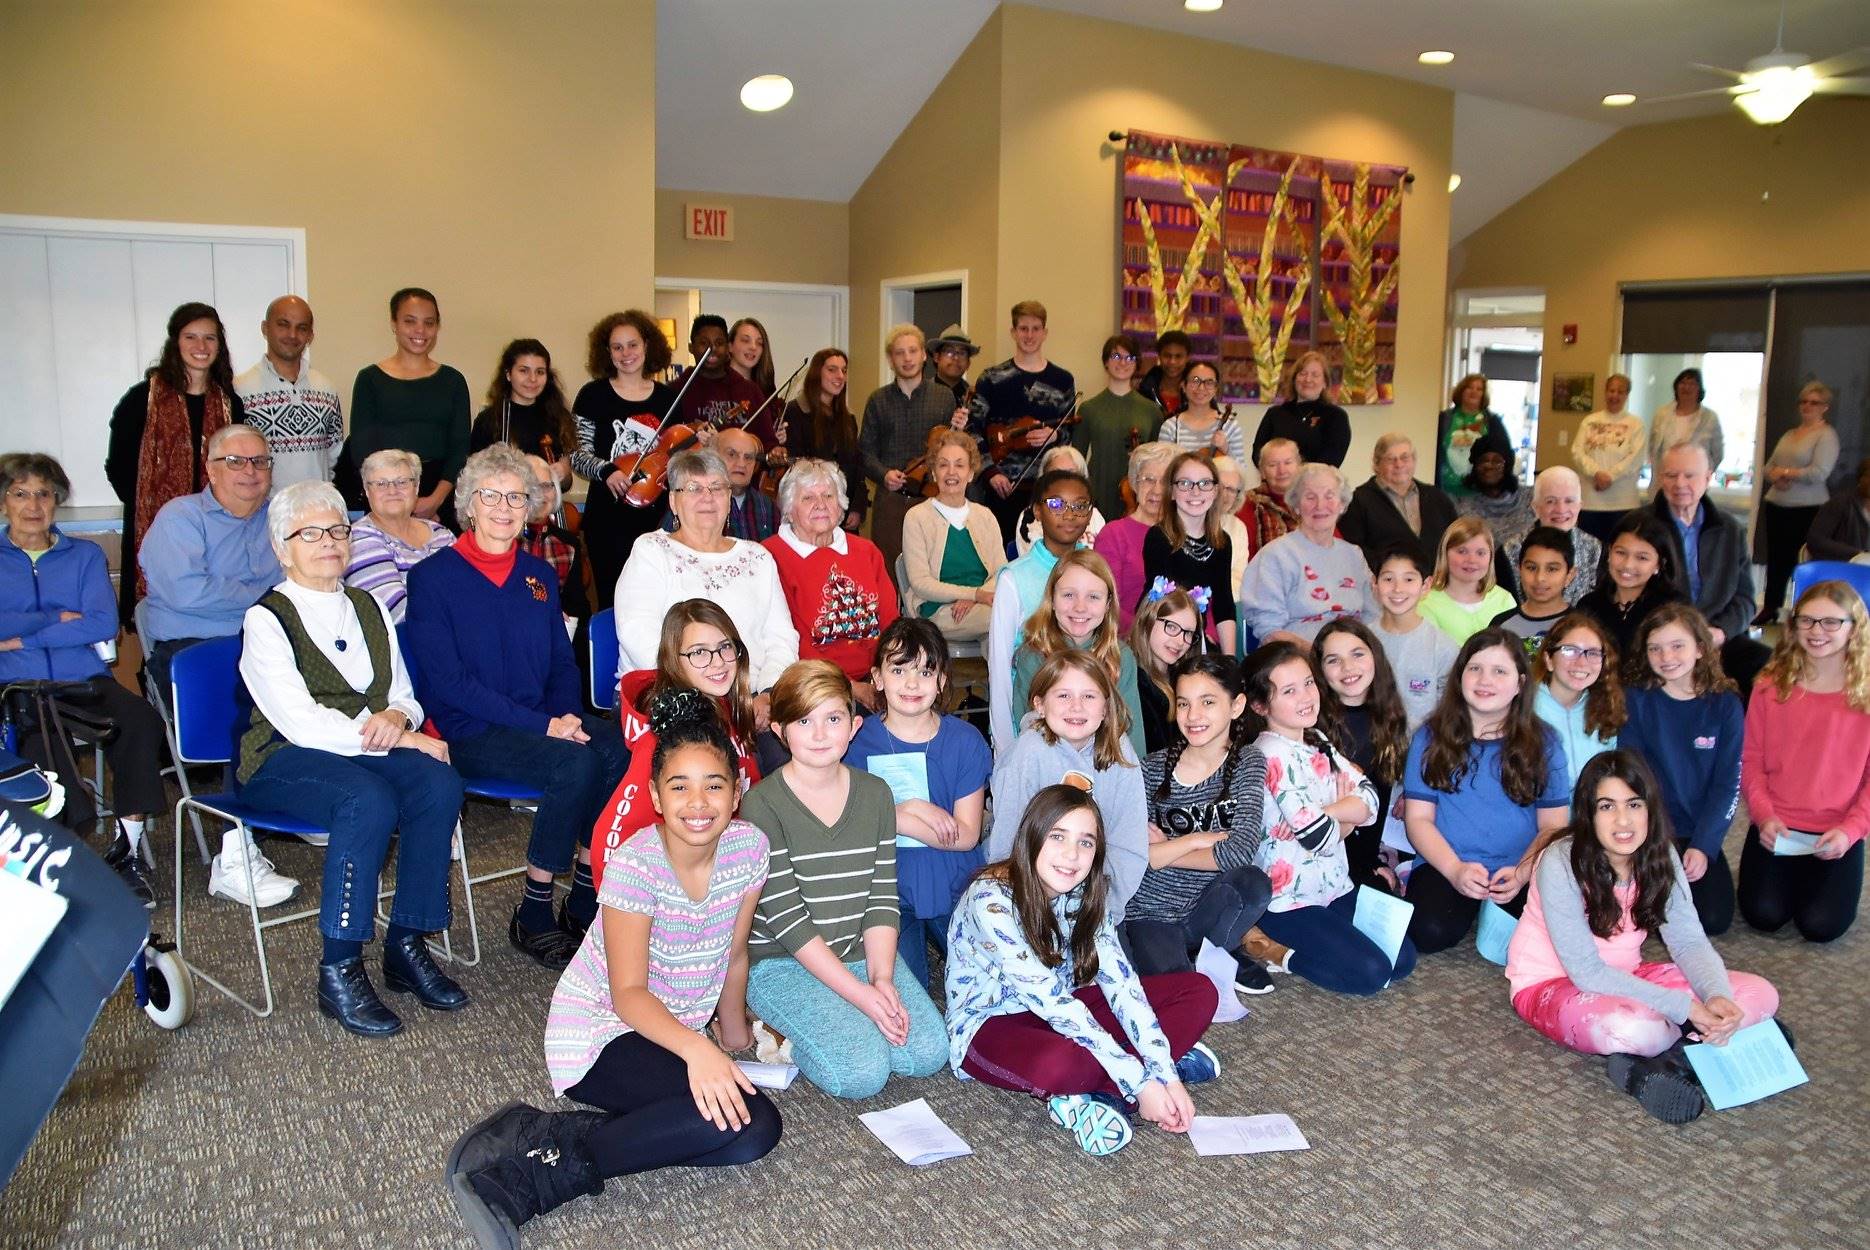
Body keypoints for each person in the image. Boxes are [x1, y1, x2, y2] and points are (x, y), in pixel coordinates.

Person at [447, 703, 778, 1247]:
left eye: (714, 786)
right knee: (733, 1122)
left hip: (673, 1033)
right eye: (679, 787)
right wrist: (700, 1053)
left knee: (748, 1136)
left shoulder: (749, 849)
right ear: (655, 796)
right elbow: (627, 994)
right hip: (602, 1032)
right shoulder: (636, 864)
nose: (698, 803)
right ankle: (524, 1181)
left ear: (737, 791)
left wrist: (732, 1033)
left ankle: (550, 1130)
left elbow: (735, 953)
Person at [234, 480, 463, 1037]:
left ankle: (407, 943)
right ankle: (338, 968)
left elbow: (403, 691)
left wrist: (402, 720)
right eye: (310, 533)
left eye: (337, 530)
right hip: (282, 758)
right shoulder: (267, 619)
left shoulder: (367, 606)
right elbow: (299, 721)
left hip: (365, 749)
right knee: (367, 800)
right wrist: (395, 736)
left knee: (438, 783)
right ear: (282, 548)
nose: (329, 542)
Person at [405, 444, 629, 968]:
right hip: (469, 730)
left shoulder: (539, 575)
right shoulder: (433, 579)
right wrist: (547, 725)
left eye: (517, 497)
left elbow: (558, 660)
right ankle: (532, 910)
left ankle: (584, 894)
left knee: (618, 746)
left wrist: (567, 715)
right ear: (468, 503)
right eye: (491, 496)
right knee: (575, 761)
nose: (505, 507)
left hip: (540, 722)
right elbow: (449, 685)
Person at [1506, 750, 1780, 1124]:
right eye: (1606, 806)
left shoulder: (1661, 854)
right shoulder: (1560, 861)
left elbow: (1688, 943)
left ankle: (1660, 1063)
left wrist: (1715, 998)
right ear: (1588, 813)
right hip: (1552, 984)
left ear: (1650, 807)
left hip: (1629, 975)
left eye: (1634, 804)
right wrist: (1687, 1009)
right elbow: (1586, 972)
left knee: (1759, 995)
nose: (1623, 820)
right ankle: (1696, 1051)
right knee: (1634, 1028)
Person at [946, 783, 1216, 1156]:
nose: (1071, 855)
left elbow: (1122, 986)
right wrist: (1143, 1081)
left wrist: (1165, 1077)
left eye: (1086, 842)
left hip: (1068, 1007)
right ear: (1032, 838)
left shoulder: (1085, 895)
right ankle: (1127, 1075)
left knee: (1199, 991)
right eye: (1058, 836)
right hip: (990, 1024)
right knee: (1066, 1065)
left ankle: (1105, 1096)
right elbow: (1049, 1000)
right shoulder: (990, 899)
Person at [740, 662, 948, 1099]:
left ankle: (844, 1012)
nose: (819, 734)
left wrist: (882, 978)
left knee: (927, 1053)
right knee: (861, 1074)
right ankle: (776, 1028)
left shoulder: (874, 794)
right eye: (804, 721)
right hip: (784, 961)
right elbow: (788, 921)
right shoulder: (762, 805)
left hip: (857, 951)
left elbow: (880, 896)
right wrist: (859, 996)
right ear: (780, 730)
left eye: (832, 719)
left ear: (854, 726)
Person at [0, 453, 168, 905]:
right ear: (3, 502)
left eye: (44, 494)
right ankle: (61, 862)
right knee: (46, 768)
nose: (34, 504)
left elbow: (99, 624)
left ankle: (126, 850)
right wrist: (53, 616)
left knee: (141, 721)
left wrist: (18, 638)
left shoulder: (85, 555)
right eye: (21, 493)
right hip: (20, 690)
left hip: (86, 679)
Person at [1242, 642, 1414, 995]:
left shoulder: (1317, 739)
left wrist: (1332, 813)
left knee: (1403, 961)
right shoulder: (1269, 753)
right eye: (1289, 691)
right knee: (1371, 975)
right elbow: (1318, 836)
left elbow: (1371, 799)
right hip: (1288, 900)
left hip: (1333, 886)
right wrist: (1345, 816)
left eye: (1308, 683)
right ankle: (1277, 951)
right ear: (1261, 705)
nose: (1306, 696)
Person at [1402, 629, 1570, 954]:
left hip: (1521, 864)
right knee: (1428, 933)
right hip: (1446, 862)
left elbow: (1554, 826)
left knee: (1546, 939)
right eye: (1475, 668)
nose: (1485, 680)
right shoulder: (1429, 738)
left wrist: (1522, 873)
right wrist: (1455, 870)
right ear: (1459, 676)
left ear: (1520, 683)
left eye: (1500, 671)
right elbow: (1419, 819)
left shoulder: (1545, 742)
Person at [848, 618, 992, 992]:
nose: (912, 684)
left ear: (943, 680)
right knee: (908, 1003)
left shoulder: (964, 740)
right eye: (899, 670)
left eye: (926, 671)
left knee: (987, 988)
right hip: (887, 895)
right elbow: (844, 822)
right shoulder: (855, 740)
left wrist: (890, 817)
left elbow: (966, 835)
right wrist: (907, 811)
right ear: (877, 677)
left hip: (954, 884)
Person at [614, 449, 800, 728]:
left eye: (717, 487)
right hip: (674, 698)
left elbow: (781, 636)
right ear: (674, 501)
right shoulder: (652, 550)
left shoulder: (758, 557)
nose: (707, 497)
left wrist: (769, 692)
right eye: (693, 488)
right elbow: (638, 634)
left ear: (728, 499)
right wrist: (710, 691)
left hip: (751, 700)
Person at [592, 601, 762, 895]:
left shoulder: (723, 711)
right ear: (674, 661)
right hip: (669, 896)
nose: (718, 662)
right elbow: (612, 834)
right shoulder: (670, 740)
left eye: (725, 647)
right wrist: (621, 906)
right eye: (699, 653)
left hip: (720, 868)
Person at [1738, 581, 1870, 942]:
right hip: (1777, 826)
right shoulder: (1769, 685)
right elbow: (1750, 760)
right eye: (1806, 621)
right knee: (1764, 915)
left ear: (1854, 627)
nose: (1816, 631)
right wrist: (1764, 816)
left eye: (1831, 622)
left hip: (1838, 829)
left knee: (1820, 926)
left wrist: (1851, 830)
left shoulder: (1866, 693)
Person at [1136, 654, 1274, 990]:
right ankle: (1194, 958)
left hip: (1208, 907)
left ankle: (1218, 949)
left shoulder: (1248, 761)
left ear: (1236, 706)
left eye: (1208, 702)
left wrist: (1163, 852)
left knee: (1254, 882)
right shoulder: (1150, 769)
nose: (1193, 716)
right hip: (1151, 911)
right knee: (1181, 994)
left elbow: (1239, 853)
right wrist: (1196, 840)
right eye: (1184, 704)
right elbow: (1137, 854)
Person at [105, 301, 248, 621]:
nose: (201, 346)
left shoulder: (230, 404)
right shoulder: (142, 399)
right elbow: (118, 467)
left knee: (215, 611)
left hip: (219, 531)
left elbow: (243, 468)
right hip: (158, 530)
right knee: (161, 616)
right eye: (191, 337)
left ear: (220, 346)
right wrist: (158, 512)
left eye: (210, 338)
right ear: (175, 342)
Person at [988, 650, 1148, 923]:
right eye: (1063, 695)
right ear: (1039, 704)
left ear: (1105, 706)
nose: (1076, 706)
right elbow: (1007, 844)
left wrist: (1102, 907)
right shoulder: (1024, 756)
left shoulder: (1120, 752)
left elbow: (1128, 843)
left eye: (1089, 696)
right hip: (1031, 902)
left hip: (1097, 901)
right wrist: (1032, 910)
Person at [1618, 603, 1741, 934]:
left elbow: (1727, 784)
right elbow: (1633, 780)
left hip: (1698, 830)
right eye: (1655, 648)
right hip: (1652, 831)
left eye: (1677, 646)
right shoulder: (1637, 700)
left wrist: (1704, 845)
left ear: (1700, 649)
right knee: (1656, 919)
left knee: (1713, 920)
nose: (1666, 656)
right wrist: (1655, 844)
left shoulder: (1725, 705)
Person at [138, 424, 278, 709]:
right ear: (211, 471)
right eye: (234, 462)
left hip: (272, 644)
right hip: (196, 648)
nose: (250, 471)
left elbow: (304, 585)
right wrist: (270, 598)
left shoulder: (283, 517)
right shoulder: (181, 517)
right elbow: (186, 593)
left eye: (260, 462)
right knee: (241, 733)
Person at [762, 458, 898, 706]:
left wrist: (888, 677)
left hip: (877, 679)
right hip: (812, 684)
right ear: (789, 510)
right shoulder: (771, 555)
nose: (820, 505)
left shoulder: (866, 551)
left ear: (841, 504)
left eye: (828, 496)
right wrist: (853, 688)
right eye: (808, 498)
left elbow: (890, 621)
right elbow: (794, 640)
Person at [570, 310, 676, 608]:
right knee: (612, 600)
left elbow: (675, 458)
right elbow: (576, 452)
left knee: (655, 602)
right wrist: (607, 470)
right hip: (607, 519)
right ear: (607, 352)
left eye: (632, 345)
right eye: (617, 347)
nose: (625, 353)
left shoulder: (667, 399)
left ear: (647, 345)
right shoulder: (593, 395)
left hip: (658, 518)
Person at [342, 288, 471, 528]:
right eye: (410, 321)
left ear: (437, 326)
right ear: (394, 323)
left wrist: (435, 500)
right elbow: (362, 450)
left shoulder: (453, 380)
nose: (420, 331)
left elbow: (460, 448)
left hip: (440, 497)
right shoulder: (370, 379)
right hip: (386, 494)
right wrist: (400, 497)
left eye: (429, 323)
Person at [1648, 440, 1769, 693]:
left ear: (1708, 477)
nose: (1680, 484)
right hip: (1661, 639)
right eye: (1671, 475)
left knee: (1767, 667)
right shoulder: (1640, 526)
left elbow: (1746, 599)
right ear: (1660, 477)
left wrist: (1720, 632)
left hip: (1717, 636)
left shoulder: (1730, 529)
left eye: (1690, 475)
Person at [1007, 551, 1147, 761]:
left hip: (1106, 770)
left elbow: (1132, 733)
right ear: (1052, 599)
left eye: (1093, 597)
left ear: (1108, 604)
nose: (1080, 607)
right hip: (1048, 776)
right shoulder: (1034, 657)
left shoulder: (1120, 657)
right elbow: (1027, 729)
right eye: (1069, 595)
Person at [989, 468, 1096, 743]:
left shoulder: (1098, 570)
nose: (1069, 514)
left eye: (1080, 505)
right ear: (1037, 511)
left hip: (1087, 716)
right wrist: (1004, 744)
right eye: (1057, 504)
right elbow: (1000, 665)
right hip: (1028, 712)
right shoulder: (1015, 577)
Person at [1315, 619, 1412, 894]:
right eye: (1334, 660)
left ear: (1375, 657)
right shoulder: (1312, 725)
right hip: (1320, 849)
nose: (1348, 668)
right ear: (1320, 671)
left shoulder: (1388, 716)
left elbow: (1379, 795)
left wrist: (1370, 862)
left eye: (1357, 654)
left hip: (1362, 848)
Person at [859, 323, 965, 570]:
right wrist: (883, 474)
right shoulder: (878, 400)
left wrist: (959, 430)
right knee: (888, 570)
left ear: (924, 355)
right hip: (891, 501)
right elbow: (864, 452)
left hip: (932, 501)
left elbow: (953, 451)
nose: (907, 359)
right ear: (891, 359)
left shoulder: (944, 397)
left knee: (933, 569)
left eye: (913, 351)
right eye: (899, 353)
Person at [970, 300, 1078, 542]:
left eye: (1036, 328)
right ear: (1013, 332)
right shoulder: (991, 378)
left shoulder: (1063, 381)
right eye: (1023, 329)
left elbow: (1070, 433)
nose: (1029, 335)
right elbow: (973, 430)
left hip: (1047, 488)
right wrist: (990, 472)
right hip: (1002, 488)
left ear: (1045, 333)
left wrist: (1055, 436)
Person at [1239, 462, 1373, 646]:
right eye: (1310, 497)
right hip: (1298, 660)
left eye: (1329, 496)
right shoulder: (1275, 556)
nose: (1320, 505)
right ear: (1296, 505)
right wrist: (1321, 658)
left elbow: (1374, 618)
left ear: (1342, 504)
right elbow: (1271, 632)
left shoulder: (1354, 555)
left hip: (1352, 657)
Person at [901, 429, 1004, 644]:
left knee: (1000, 637)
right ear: (933, 472)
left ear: (971, 473)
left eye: (959, 465)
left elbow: (1002, 571)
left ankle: (1004, 678)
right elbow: (921, 583)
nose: (951, 472)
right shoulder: (917, 517)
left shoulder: (985, 516)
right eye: (943, 464)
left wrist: (976, 597)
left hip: (982, 607)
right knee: (1007, 618)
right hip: (939, 611)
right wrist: (974, 595)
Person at [233, 295, 342, 489]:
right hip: (263, 513)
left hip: (317, 509)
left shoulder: (327, 390)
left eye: (302, 328)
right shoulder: (240, 390)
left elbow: (334, 454)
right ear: (265, 328)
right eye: (283, 324)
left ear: (310, 336)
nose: (292, 335)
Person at [1754, 380, 1841, 624]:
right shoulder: (1790, 434)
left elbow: (1819, 472)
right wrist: (1776, 475)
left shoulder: (1826, 435)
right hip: (1777, 504)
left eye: (1814, 403)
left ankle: (1805, 611)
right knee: (1776, 560)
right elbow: (1768, 466)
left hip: (1808, 509)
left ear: (1825, 407)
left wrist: (1786, 473)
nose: (1807, 406)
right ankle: (1771, 607)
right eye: (1803, 401)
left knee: (1802, 561)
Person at [344, 448, 454, 624]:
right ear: (366, 490)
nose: (392, 490)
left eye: (402, 482)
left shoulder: (441, 534)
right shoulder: (359, 539)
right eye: (381, 484)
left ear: (416, 487)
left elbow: (469, 590)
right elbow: (396, 615)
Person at [1142, 450, 1237, 654]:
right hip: (1161, 638)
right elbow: (1162, 605)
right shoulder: (1158, 537)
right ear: (1172, 491)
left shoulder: (1222, 542)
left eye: (1204, 483)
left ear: (1215, 490)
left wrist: (1230, 661)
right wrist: (1194, 638)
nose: (1196, 492)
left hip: (1196, 637)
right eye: (1185, 483)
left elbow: (1224, 604)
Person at [1340, 432, 1460, 574]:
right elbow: (1353, 550)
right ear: (1376, 464)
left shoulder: (1437, 497)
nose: (1399, 464)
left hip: (1436, 586)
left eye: (1405, 457)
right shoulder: (1359, 501)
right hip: (1387, 589)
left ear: (1414, 461)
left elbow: (1456, 540)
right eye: (1390, 459)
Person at [1073, 333, 1163, 521]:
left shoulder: (1151, 410)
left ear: (1136, 363)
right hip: (1098, 489)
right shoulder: (1089, 408)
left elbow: (1157, 461)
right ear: (1106, 362)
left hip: (1137, 492)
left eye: (1129, 357)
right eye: (1116, 356)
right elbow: (1077, 457)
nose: (1123, 362)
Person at [1370, 543, 1459, 729]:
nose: (1397, 589)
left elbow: (1451, 711)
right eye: (1388, 579)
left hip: (1422, 749)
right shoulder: (1362, 641)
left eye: (1408, 580)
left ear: (1426, 585)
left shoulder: (1443, 647)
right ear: (1375, 584)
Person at [1531, 614, 1624, 790]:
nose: (1581, 663)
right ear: (1548, 659)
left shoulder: (1608, 707)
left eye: (1593, 653)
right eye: (1570, 650)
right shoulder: (1522, 706)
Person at [1576, 511, 1687, 658]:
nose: (1628, 565)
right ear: (1609, 552)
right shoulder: (1588, 605)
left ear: (1659, 564)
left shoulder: (1674, 607)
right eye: (1621, 553)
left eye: (1642, 558)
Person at [469, 338, 577, 488]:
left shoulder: (558, 417)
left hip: (547, 507)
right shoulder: (489, 420)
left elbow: (565, 485)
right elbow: (474, 478)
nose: (533, 379)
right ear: (508, 374)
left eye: (540, 372)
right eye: (523, 371)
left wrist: (563, 473)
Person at [1093, 441, 1176, 631]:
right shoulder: (1114, 534)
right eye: (1148, 479)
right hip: (1130, 641)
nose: (1156, 490)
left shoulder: (1184, 534)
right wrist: (1149, 634)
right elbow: (1108, 602)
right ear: (1134, 483)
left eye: (1165, 481)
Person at [781, 348, 866, 531]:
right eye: (832, 369)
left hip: (845, 510)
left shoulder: (848, 418)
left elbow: (857, 466)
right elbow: (795, 466)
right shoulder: (795, 412)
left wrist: (857, 507)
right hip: (812, 512)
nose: (840, 376)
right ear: (816, 373)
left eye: (844, 370)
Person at [663, 427, 778, 542]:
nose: (742, 463)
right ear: (713, 457)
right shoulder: (693, 501)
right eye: (732, 454)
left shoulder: (767, 506)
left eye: (748, 457)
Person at [1505, 467, 1599, 606]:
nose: (1561, 509)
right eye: (1550, 501)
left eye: (1569, 501)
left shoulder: (1595, 549)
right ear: (1535, 507)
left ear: (1580, 506)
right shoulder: (1510, 550)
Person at [1419, 516, 1516, 646]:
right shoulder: (1426, 602)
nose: (1471, 560)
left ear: (1490, 557)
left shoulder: (1504, 600)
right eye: (1462, 551)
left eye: (1480, 553)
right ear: (1445, 554)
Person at [1571, 372, 1645, 542]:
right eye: (1611, 391)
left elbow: (1636, 457)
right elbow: (1577, 451)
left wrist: (1610, 476)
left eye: (1620, 391)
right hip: (1591, 500)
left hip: (1623, 502)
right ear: (1605, 392)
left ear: (1627, 395)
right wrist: (1597, 473)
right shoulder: (1589, 421)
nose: (1615, 395)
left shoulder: (1636, 424)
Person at [1127, 586, 1200, 756]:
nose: (1180, 641)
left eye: (1188, 633)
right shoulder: (1136, 680)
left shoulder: (1181, 678)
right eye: (1172, 627)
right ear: (1148, 619)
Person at [520, 454, 590, 625]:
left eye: (547, 486)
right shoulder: (504, 541)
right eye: (532, 487)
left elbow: (577, 609)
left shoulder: (568, 544)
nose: (541, 495)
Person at [1252, 349, 1350, 467]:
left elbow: (1331, 460)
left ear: (1325, 382)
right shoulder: (1274, 414)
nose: (1308, 379)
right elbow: (1258, 454)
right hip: (1276, 482)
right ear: (1294, 379)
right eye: (1303, 373)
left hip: (1314, 483)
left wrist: (1296, 476)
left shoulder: (1336, 416)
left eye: (1315, 375)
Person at [675, 315, 765, 437]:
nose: (712, 349)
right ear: (691, 348)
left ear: (728, 347)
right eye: (703, 343)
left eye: (719, 343)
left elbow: (767, 441)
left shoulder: (751, 391)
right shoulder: (676, 390)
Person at [1495, 526, 1580, 652]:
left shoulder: (1582, 626)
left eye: (1552, 569)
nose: (1540, 578)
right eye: (1531, 568)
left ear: (1569, 575)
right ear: (1519, 570)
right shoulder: (1501, 625)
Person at [1454, 428, 1534, 560]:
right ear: (1475, 466)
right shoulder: (1461, 506)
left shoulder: (1530, 498)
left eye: (1497, 461)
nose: (1489, 466)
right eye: (1483, 460)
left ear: (1507, 465)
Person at [1012, 445, 1106, 555]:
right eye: (1056, 474)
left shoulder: (1095, 514)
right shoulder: (1032, 515)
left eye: (1072, 474)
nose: (1064, 481)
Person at [1156, 361, 1246, 467]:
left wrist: (1226, 449)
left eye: (1209, 382)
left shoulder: (1229, 425)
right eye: (1195, 381)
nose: (1201, 388)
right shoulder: (1170, 427)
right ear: (1183, 386)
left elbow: (1241, 472)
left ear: (1216, 389)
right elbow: (1161, 469)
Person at [1435, 373, 1509, 497]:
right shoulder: (1444, 418)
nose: (1474, 392)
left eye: (1479, 389)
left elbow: (1504, 455)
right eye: (1469, 387)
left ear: (1483, 395)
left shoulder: (1492, 421)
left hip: (1480, 493)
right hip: (1446, 490)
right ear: (1461, 391)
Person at [1648, 367, 1723, 480]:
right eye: (1683, 383)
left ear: (1699, 389)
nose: (1686, 387)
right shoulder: (1661, 415)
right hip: (1663, 480)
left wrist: (1703, 474)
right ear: (1676, 386)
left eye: (1692, 384)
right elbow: (1652, 447)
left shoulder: (1709, 418)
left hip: (1694, 482)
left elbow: (1717, 454)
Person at [1236, 436, 1302, 559]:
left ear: (1299, 466)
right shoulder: (1246, 505)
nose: (1282, 471)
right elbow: (1243, 560)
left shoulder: (1313, 503)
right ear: (1262, 472)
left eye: (1288, 462)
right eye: (1273, 465)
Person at [1806, 456, 1870, 563]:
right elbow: (1815, 540)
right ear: (1860, 479)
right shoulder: (1840, 503)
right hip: (1842, 568)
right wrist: (1859, 553)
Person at [1210, 454, 1253, 601]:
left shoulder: (1238, 527)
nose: (1225, 495)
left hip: (1227, 604)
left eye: (1232, 489)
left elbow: (1239, 577)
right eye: (1221, 487)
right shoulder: (1189, 521)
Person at [1135, 329, 1190, 418]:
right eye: (1167, 356)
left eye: (1178, 356)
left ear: (1187, 358)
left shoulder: (1196, 392)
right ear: (1159, 356)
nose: (1172, 362)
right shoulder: (1145, 392)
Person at [925, 325, 978, 407]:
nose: (956, 358)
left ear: (968, 363)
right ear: (936, 357)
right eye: (949, 352)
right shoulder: (922, 395)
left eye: (962, 353)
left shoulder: (975, 399)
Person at [727, 317, 776, 403]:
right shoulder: (716, 385)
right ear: (730, 346)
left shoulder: (766, 387)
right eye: (746, 341)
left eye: (759, 343)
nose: (753, 347)